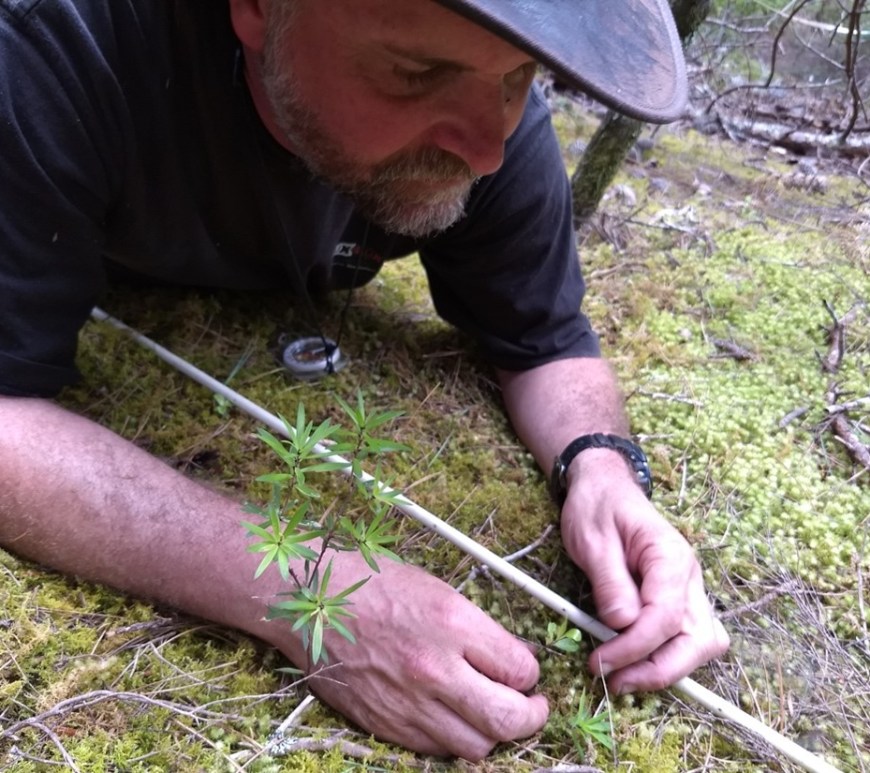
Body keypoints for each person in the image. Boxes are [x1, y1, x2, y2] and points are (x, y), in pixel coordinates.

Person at [0, 0, 729, 761]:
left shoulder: (490, 108)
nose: (485, 148)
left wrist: (604, 466)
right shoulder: (52, 43)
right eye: (417, 72)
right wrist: (307, 591)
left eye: (521, 78)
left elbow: (547, 339)